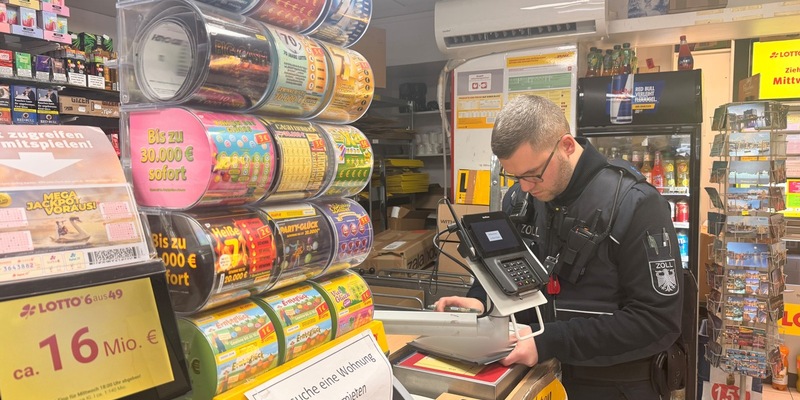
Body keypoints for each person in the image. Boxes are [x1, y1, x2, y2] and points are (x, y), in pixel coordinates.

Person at [435, 95, 684, 400]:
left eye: (533, 174)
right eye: (515, 176)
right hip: (532, 379)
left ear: (566, 145)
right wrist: (482, 301)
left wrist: (547, 341)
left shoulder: (635, 205)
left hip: (614, 386)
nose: (524, 186)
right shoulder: (520, 200)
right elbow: (505, 272)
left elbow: (657, 321)